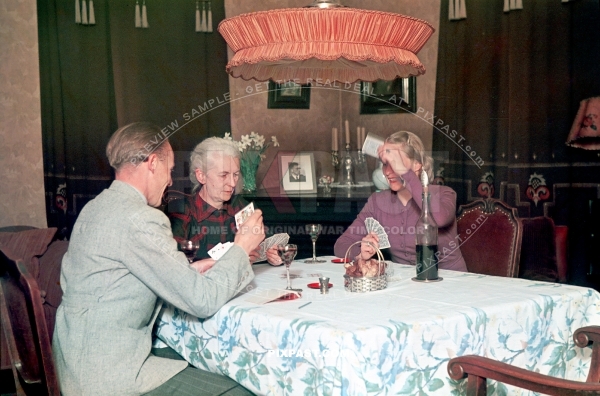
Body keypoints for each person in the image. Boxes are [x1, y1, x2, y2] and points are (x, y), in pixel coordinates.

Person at [52, 122, 263, 395]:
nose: (171, 181)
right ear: (152, 162)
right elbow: (203, 301)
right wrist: (241, 248)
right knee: (244, 388)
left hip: (74, 361)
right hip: (109, 376)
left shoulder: (95, 207)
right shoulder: (141, 218)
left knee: (202, 361)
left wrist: (188, 269)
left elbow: (120, 276)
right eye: (170, 169)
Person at [334, 131, 467, 272]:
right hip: (405, 285)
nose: (388, 172)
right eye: (385, 164)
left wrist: (406, 175)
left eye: (395, 163)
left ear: (416, 165)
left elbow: (437, 219)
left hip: (450, 282)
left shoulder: (444, 193)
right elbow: (341, 245)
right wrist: (361, 252)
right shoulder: (378, 201)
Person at [170, 137, 281, 265]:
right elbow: (173, 265)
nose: (233, 183)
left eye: (236, 174)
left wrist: (273, 254)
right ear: (201, 176)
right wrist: (233, 258)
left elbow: (267, 241)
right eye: (223, 175)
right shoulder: (181, 210)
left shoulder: (241, 205)